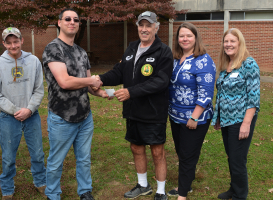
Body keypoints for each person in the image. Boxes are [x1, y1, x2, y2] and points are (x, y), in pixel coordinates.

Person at [98, 11, 173, 200]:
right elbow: (118, 73)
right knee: (136, 148)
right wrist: (99, 79)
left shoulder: (164, 51)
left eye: (149, 25)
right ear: (137, 26)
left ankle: (161, 190)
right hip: (133, 111)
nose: (144, 29)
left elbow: (160, 82)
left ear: (156, 27)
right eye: (141, 25)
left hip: (154, 111)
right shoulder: (131, 49)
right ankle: (143, 185)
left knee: (157, 151)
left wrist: (131, 92)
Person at [42, 8, 107, 200]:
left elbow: (88, 85)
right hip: (62, 116)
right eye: (68, 19)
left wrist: (102, 93)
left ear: (79, 25)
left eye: (76, 20)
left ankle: (85, 191)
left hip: (84, 116)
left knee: (84, 159)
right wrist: (92, 81)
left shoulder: (81, 52)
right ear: (59, 22)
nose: (72, 22)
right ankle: (53, 194)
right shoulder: (53, 48)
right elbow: (65, 82)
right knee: (56, 161)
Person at [0, 27, 47, 200]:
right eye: (9, 42)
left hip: (32, 115)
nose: (13, 45)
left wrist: (29, 109)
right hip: (9, 117)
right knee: (8, 156)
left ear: (22, 41)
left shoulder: (34, 61)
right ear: (4, 43)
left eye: (16, 41)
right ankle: (7, 189)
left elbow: (39, 89)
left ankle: (41, 182)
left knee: (37, 153)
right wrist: (15, 111)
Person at [167, 22, 216, 200]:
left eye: (189, 36)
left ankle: (182, 195)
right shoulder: (175, 59)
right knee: (182, 152)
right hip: (175, 115)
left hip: (195, 117)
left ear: (196, 38)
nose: (185, 39)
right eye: (181, 36)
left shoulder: (203, 60)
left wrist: (194, 117)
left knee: (187, 155)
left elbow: (206, 92)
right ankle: (185, 185)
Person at [212, 28, 260, 200]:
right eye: (226, 41)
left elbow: (254, 97)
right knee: (232, 156)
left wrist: (246, 123)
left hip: (241, 120)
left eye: (232, 41)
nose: (228, 44)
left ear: (240, 43)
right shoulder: (227, 65)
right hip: (226, 120)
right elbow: (222, 93)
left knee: (237, 160)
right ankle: (233, 188)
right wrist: (218, 117)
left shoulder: (249, 64)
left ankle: (240, 195)